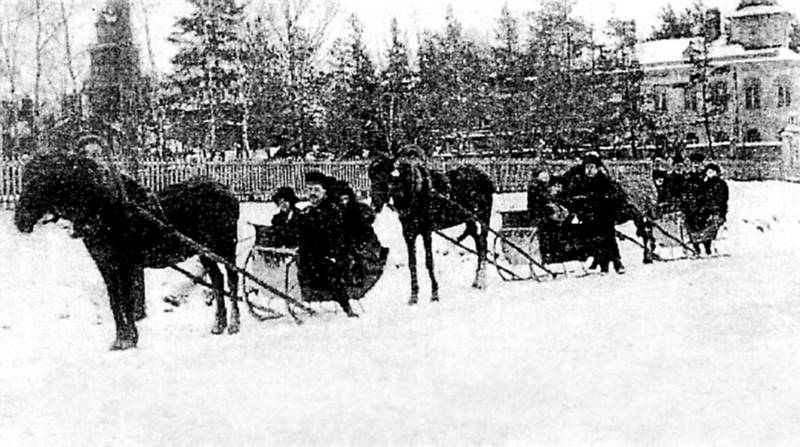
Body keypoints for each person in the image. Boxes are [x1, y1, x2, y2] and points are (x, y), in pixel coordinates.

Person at [295, 171, 358, 317]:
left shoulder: (332, 211)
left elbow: (337, 239)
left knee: (328, 270)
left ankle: (347, 308)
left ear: (324, 191)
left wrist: (330, 254)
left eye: (316, 190)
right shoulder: (308, 211)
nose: (312, 193)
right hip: (312, 256)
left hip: (332, 256)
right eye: (309, 190)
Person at [567, 152, 625, 274]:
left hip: (604, 215)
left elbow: (617, 196)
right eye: (587, 167)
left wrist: (605, 200)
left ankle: (616, 262)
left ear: (598, 168)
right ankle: (603, 263)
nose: (589, 170)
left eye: (592, 167)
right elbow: (573, 196)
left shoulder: (604, 181)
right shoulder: (580, 181)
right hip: (588, 216)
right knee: (595, 240)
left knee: (608, 237)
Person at [687, 163, 729, 255]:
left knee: (708, 224)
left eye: (712, 172)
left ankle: (707, 246)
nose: (710, 174)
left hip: (716, 210)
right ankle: (697, 245)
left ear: (716, 173)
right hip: (705, 210)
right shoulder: (705, 184)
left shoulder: (720, 184)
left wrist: (710, 207)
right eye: (708, 172)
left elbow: (721, 200)